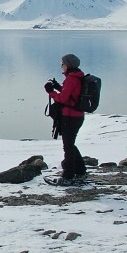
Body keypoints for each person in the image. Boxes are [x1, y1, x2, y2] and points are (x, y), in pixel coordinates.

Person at [44, 53, 87, 185]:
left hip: (70, 116)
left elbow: (63, 99)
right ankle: (80, 171)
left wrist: (51, 92)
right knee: (70, 144)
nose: (61, 67)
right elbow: (71, 94)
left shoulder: (71, 79)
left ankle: (68, 176)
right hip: (77, 116)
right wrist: (57, 87)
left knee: (68, 146)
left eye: (62, 64)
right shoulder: (78, 76)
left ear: (68, 65)